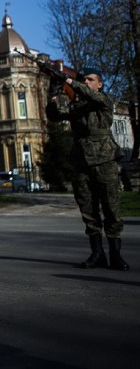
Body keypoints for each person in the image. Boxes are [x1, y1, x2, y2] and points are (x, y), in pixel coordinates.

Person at [46, 67, 129, 271]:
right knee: (88, 210)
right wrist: (52, 95)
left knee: (111, 207)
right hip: (81, 161)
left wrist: (71, 82)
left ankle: (116, 255)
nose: (86, 82)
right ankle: (97, 253)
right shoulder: (77, 106)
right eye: (83, 79)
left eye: (90, 80)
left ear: (99, 84)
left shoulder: (103, 100)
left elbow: (91, 95)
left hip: (104, 159)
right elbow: (55, 116)